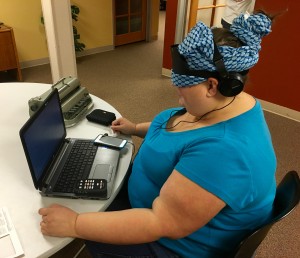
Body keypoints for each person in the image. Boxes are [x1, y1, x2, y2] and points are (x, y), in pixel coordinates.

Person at [38, 11, 277, 258]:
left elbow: (161, 222)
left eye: (182, 86)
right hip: (157, 201)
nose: (175, 88)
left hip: (172, 244)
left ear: (212, 85)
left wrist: (75, 224)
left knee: (69, 224)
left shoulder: (225, 152)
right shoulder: (231, 102)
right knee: (81, 179)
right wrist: (136, 128)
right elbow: (181, 127)